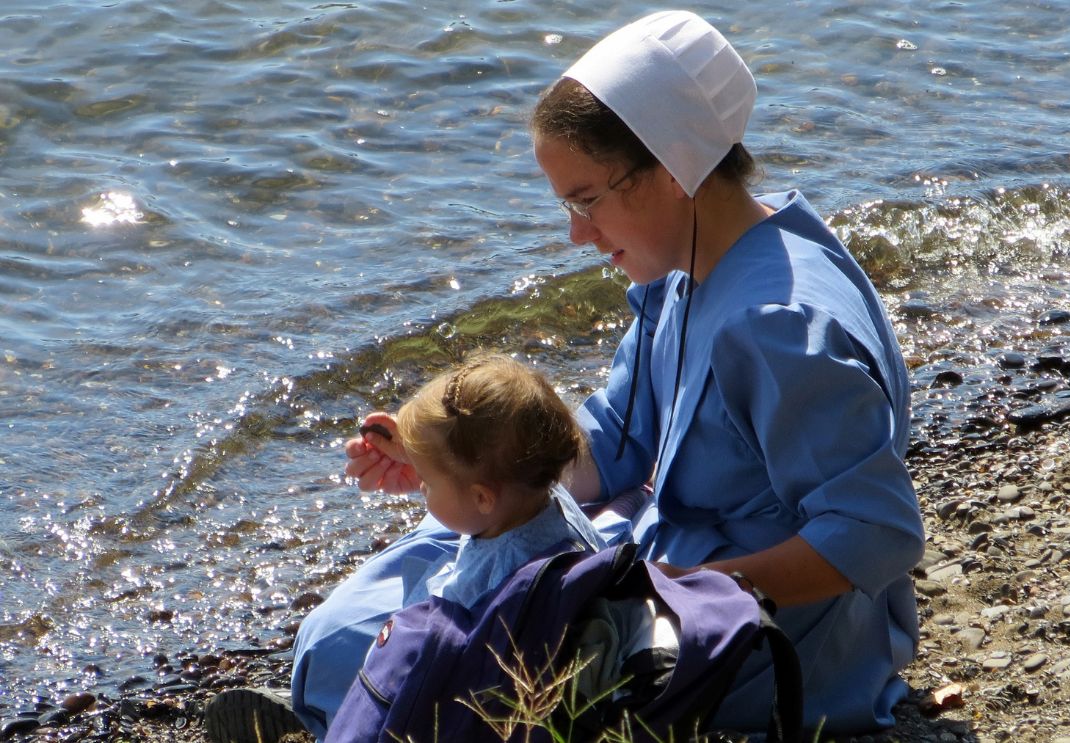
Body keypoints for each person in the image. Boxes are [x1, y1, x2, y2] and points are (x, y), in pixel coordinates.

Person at [213, 9, 925, 741]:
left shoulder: (778, 326)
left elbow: (875, 532)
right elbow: (613, 440)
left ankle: (356, 708)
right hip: (663, 554)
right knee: (399, 584)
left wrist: (685, 589)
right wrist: (454, 462)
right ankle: (361, 702)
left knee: (366, 648)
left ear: (674, 163)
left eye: (586, 200)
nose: (576, 233)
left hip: (747, 634)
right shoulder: (694, 265)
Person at [262, 354, 605, 740]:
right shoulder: (549, 501)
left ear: (482, 498)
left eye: (426, 480)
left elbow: (425, 657)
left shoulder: (486, 588)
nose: (420, 486)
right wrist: (431, 455)